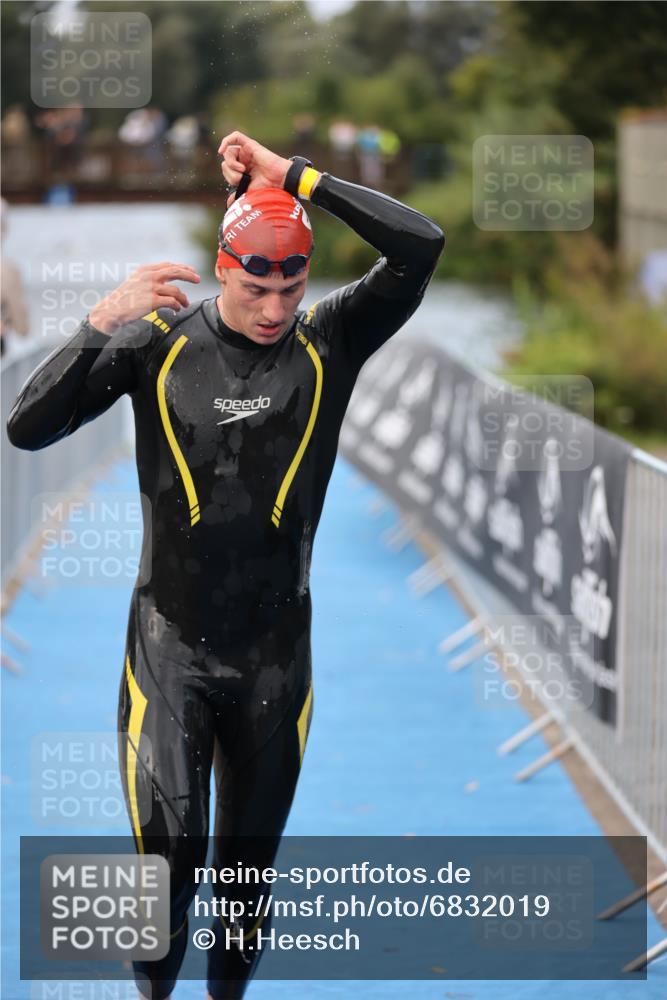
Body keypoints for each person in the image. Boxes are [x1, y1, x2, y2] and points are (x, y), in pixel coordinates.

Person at [6, 130, 444, 999]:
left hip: (275, 658)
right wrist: (99, 323)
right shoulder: (156, 339)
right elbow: (27, 426)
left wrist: (294, 177)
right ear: (221, 266)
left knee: (244, 891)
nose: (275, 306)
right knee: (167, 867)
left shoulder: (332, 341)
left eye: (291, 284)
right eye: (254, 286)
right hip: (168, 647)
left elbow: (420, 244)